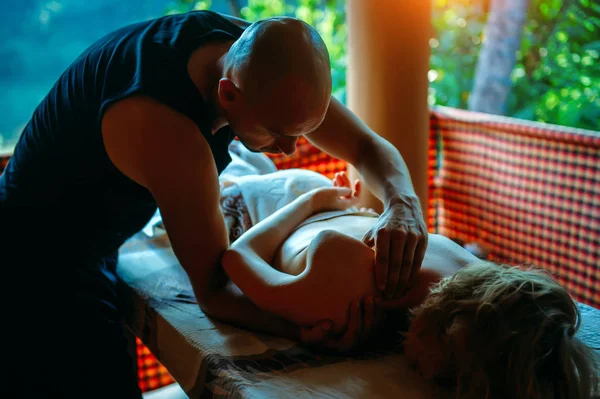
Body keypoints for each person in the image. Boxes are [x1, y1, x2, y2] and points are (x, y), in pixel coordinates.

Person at [0, 10, 427, 398]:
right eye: (278, 134)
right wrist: (313, 329)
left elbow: (366, 146)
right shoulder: (169, 131)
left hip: (93, 229)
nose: (292, 149)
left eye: (305, 130)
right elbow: (214, 290)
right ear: (227, 95)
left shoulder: (258, 56)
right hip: (35, 257)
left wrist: (404, 204)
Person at [218, 167, 600, 399]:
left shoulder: (467, 268)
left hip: (331, 202)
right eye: (446, 377)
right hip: (256, 207)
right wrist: (313, 202)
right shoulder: (342, 292)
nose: (432, 380)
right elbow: (237, 257)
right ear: (454, 333)